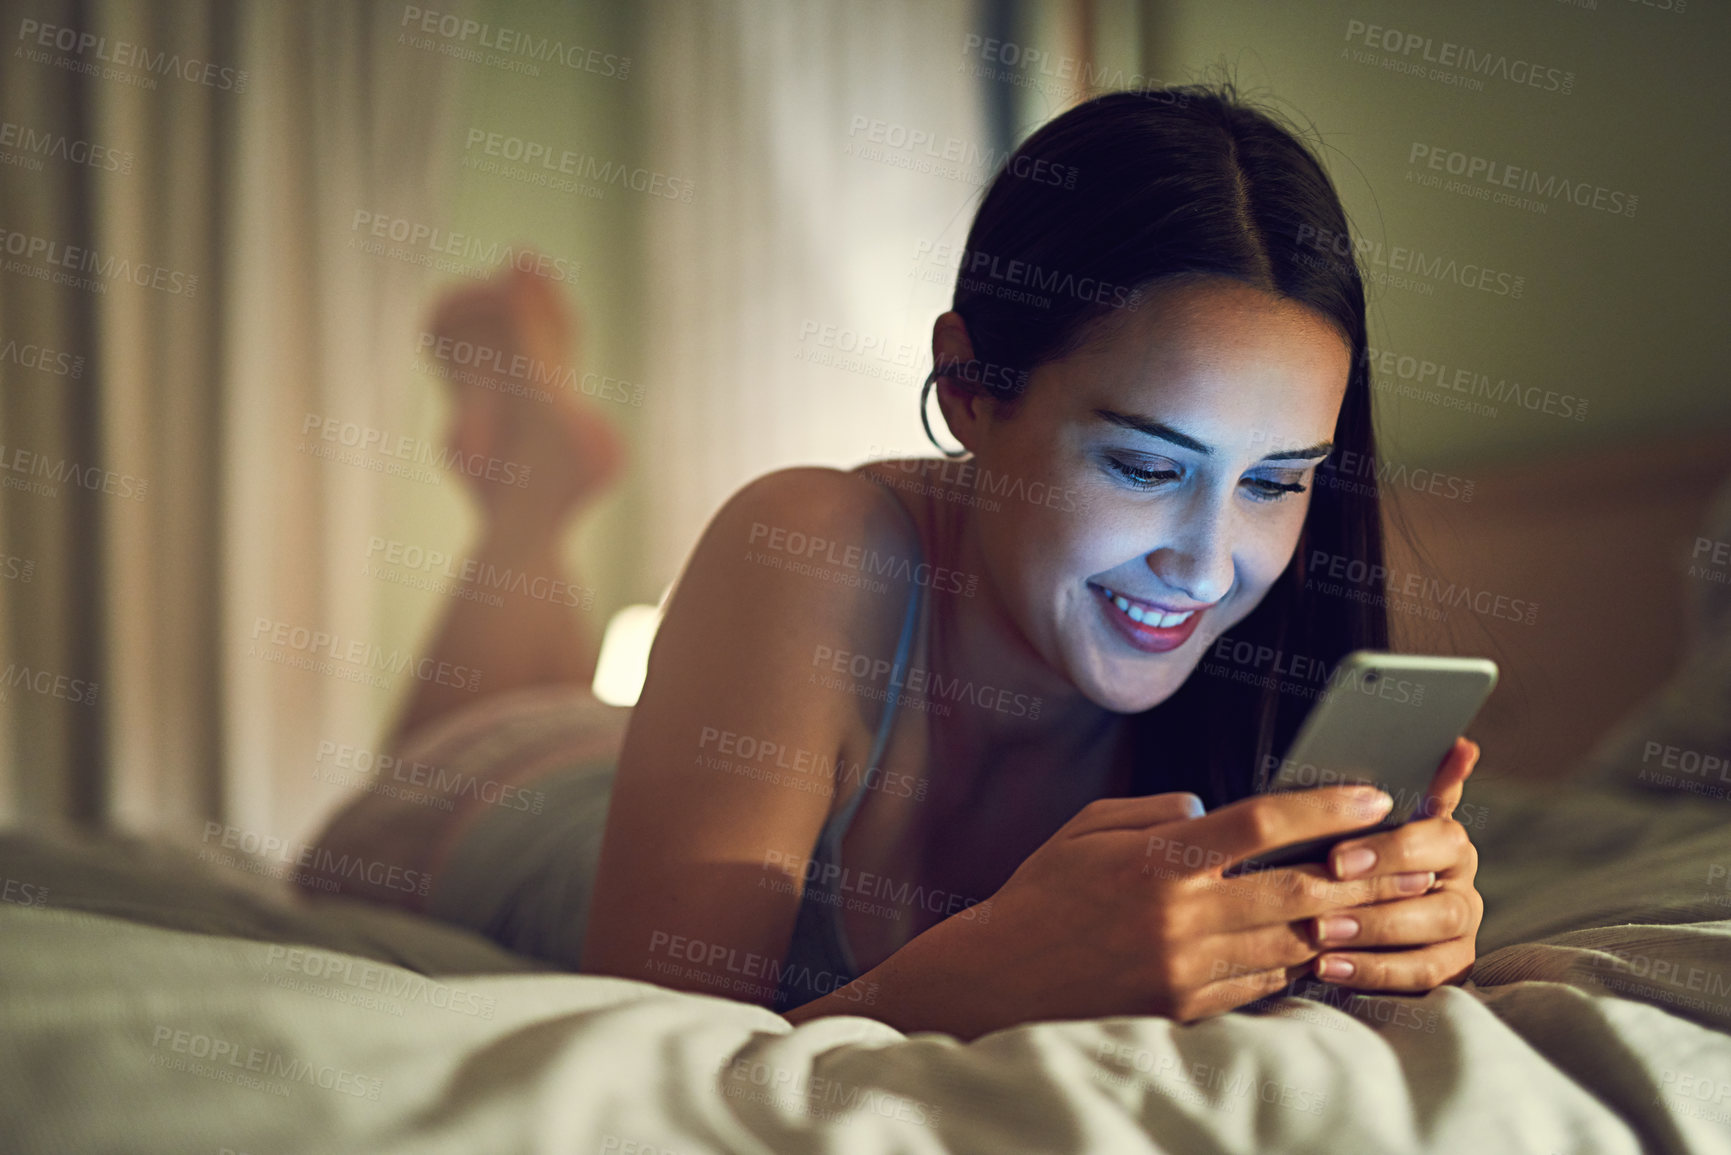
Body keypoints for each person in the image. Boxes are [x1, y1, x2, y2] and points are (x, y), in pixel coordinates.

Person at [303, 82, 1484, 1043]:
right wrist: (1000, 969)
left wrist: (1369, 922)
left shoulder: (1265, 666)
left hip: (673, 753)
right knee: (490, 729)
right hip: (506, 801)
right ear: (969, 385)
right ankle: (530, 497)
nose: (1207, 564)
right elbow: (657, 1055)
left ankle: (538, 484)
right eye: (1143, 466)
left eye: (1275, 481)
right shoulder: (813, 547)